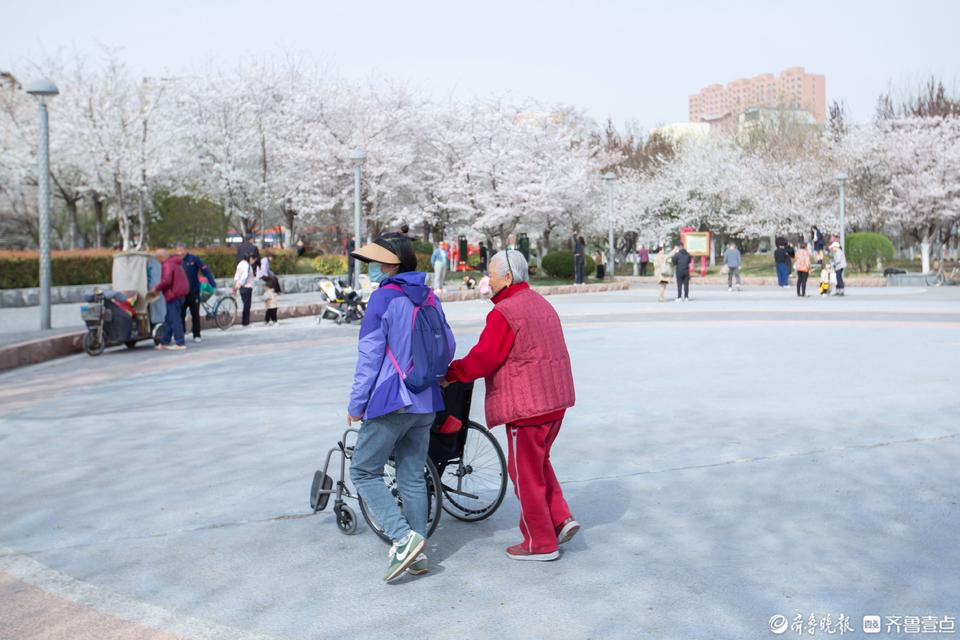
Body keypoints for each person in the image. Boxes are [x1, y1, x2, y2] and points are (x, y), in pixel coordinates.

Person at [444, 250, 578, 561]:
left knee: (524, 473)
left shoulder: (505, 312)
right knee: (538, 463)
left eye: (491, 275)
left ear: (507, 278)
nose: (487, 281)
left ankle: (539, 542)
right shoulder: (540, 303)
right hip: (554, 400)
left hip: (529, 407)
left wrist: (452, 374)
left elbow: (484, 358)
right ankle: (560, 518)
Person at [347, 233, 456, 581]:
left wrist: (357, 403)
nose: (375, 265)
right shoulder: (430, 296)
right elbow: (448, 344)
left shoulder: (383, 298)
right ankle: (418, 554)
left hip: (391, 399)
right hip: (426, 399)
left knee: (363, 471)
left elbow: (369, 356)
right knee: (411, 475)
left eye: (379, 259)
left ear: (392, 263)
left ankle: (403, 538)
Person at [176, 244, 215, 343]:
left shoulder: (194, 259)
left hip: (193, 292)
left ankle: (196, 334)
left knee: (195, 314)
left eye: (181, 251)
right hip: (181, 293)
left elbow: (205, 270)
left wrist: (212, 283)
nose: (180, 253)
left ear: (185, 250)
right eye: (178, 251)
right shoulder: (176, 260)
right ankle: (181, 333)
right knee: (180, 314)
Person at [152, 248, 190, 351]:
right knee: (168, 319)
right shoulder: (175, 263)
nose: (157, 261)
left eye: (157, 258)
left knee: (174, 319)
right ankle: (165, 341)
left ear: (161, 257)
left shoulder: (167, 265)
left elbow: (166, 281)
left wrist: (156, 288)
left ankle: (180, 342)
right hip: (179, 294)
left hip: (173, 295)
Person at [233, 254, 257, 326]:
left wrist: (237, 284)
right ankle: (245, 322)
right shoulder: (247, 265)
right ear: (250, 258)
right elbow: (245, 276)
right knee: (247, 305)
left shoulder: (240, 264)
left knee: (245, 304)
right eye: (254, 260)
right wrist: (241, 283)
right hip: (247, 287)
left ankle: (245, 321)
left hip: (241, 287)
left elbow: (236, 275)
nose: (253, 262)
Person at [146, 254, 167, 327]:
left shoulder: (153, 263)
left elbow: (156, 280)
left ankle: (159, 324)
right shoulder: (154, 263)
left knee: (157, 307)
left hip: (155, 290)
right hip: (154, 289)